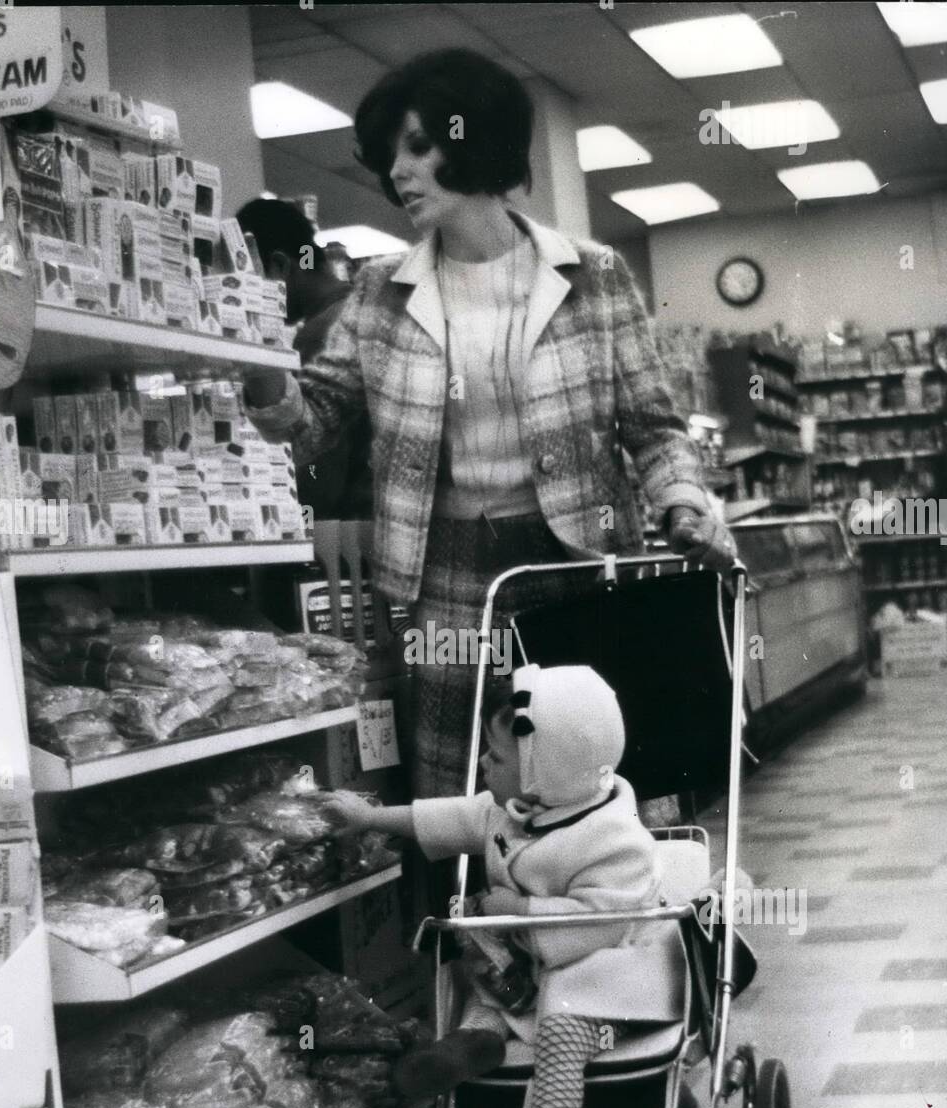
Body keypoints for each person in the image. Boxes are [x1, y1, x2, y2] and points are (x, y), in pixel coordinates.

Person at [241, 48, 735, 801]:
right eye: (389, 155)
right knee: (464, 784)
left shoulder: (592, 277)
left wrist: (683, 504)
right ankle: (479, 920)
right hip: (443, 572)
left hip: (577, 558)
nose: (398, 172)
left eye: (417, 147)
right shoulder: (379, 292)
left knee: (593, 778)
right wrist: (251, 360)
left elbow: (654, 427)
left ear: (474, 142)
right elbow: (315, 424)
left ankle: (605, 913)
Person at [326, 664, 687, 1108]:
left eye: (496, 758)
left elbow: (603, 921)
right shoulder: (514, 810)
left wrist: (521, 911)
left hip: (612, 972)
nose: (483, 766)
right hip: (535, 961)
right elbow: (448, 815)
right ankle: (474, 1043)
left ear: (547, 769)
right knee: (483, 981)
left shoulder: (618, 842)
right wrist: (369, 818)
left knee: (561, 1031)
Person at [235, 197, 371, 519]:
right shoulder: (364, 309)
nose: (244, 295)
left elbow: (318, 472)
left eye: (249, 281)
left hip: (350, 532)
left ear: (280, 267)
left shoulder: (319, 333)